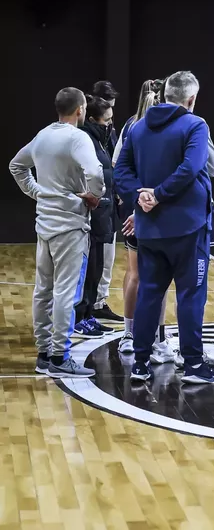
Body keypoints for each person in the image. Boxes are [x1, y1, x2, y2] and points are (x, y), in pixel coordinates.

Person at [115, 71, 214, 384]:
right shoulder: (195, 124)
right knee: (191, 296)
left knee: (150, 293)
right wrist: (159, 194)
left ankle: (140, 363)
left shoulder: (137, 127)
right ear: (191, 99)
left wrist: (140, 194)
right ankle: (193, 364)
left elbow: (120, 170)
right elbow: (192, 167)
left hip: (150, 228)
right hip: (189, 229)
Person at [10, 87, 105, 378]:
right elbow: (96, 173)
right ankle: (60, 358)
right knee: (66, 292)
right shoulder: (78, 138)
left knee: (43, 292)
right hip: (70, 226)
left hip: (45, 225)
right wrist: (94, 196)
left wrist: (38, 192)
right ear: (80, 110)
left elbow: (17, 166)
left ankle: (44, 354)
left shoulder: (42, 135)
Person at [112, 79, 162, 355]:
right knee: (153, 275)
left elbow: (116, 165)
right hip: (150, 210)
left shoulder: (131, 125)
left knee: (136, 273)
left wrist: (130, 200)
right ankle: (152, 337)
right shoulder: (147, 127)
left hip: (139, 208)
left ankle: (130, 334)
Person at [72, 95, 118, 339]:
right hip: (90, 215)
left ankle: (89, 315)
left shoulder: (102, 139)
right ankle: (79, 317)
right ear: (91, 119)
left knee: (98, 269)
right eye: (106, 120)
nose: (110, 124)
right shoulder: (85, 140)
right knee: (88, 270)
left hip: (105, 213)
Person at [91, 79, 124, 322]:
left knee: (107, 257)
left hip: (110, 203)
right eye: (107, 112)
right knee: (94, 259)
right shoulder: (84, 136)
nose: (111, 120)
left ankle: (99, 301)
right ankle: (87, 306)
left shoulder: (109, 130)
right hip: (94, 206)